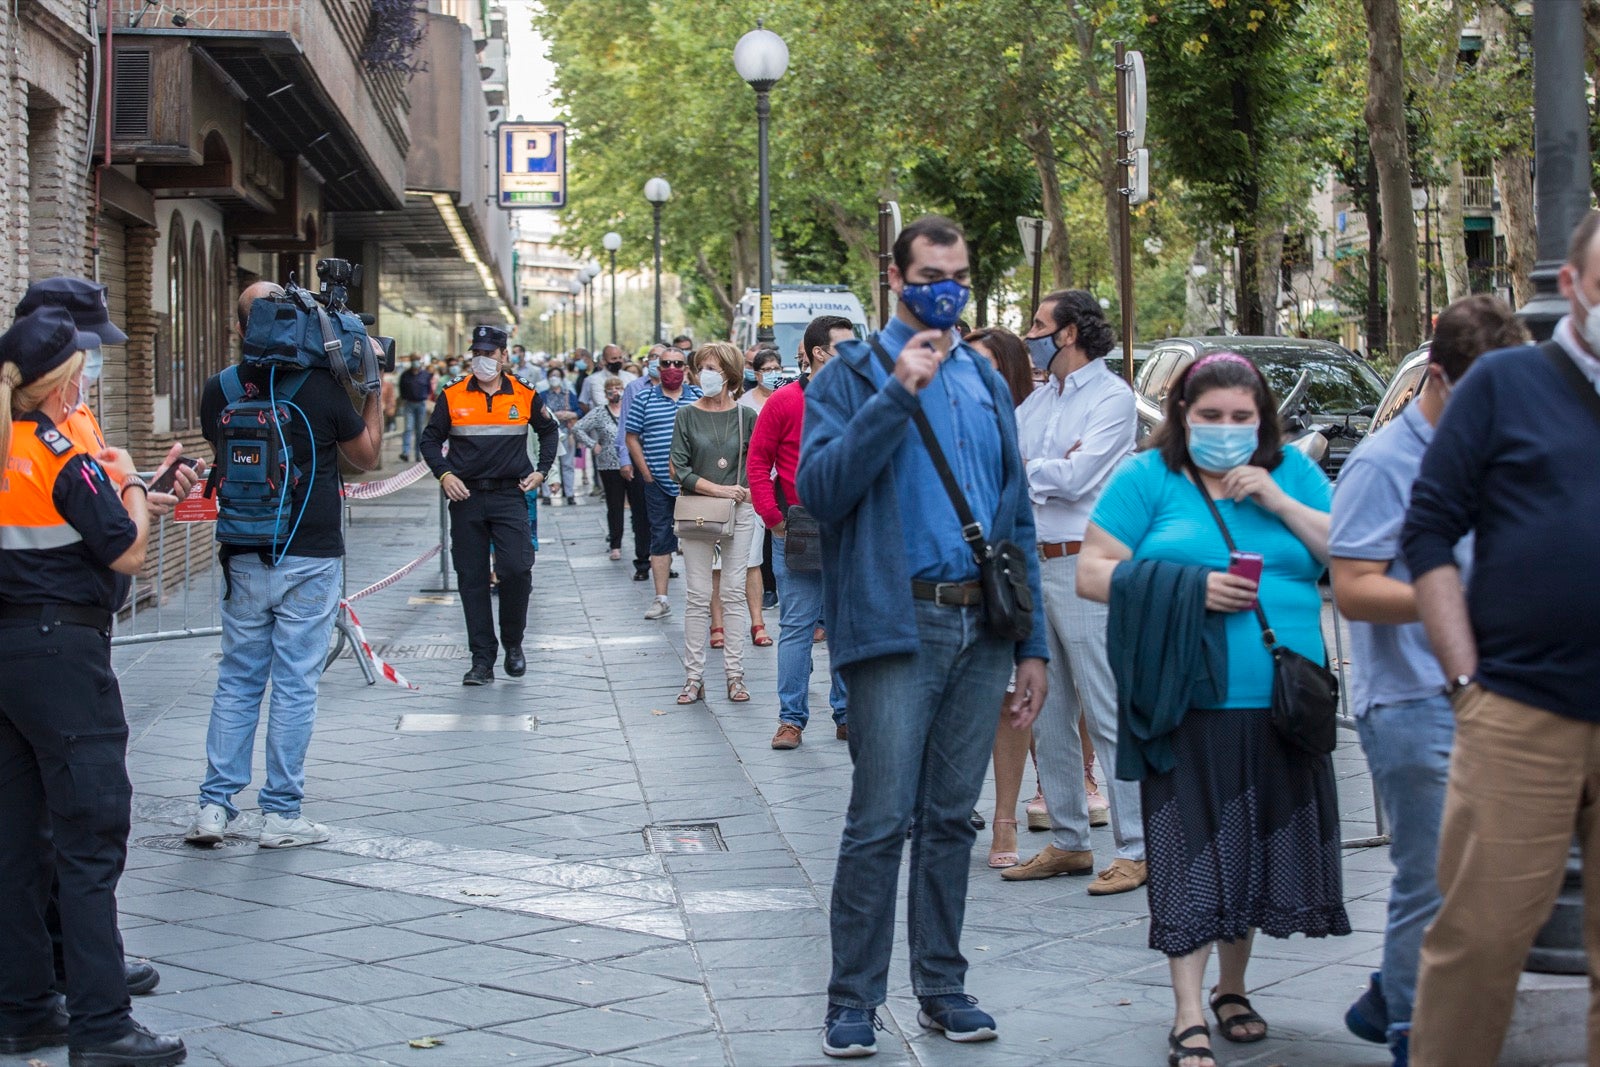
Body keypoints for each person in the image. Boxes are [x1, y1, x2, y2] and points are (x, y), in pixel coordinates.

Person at [798, 216, 1048, 1057]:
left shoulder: (981, 375)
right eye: (933, 273)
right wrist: (896, 393)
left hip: (984, 622)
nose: (949, 287)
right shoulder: (852, 372)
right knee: (880, 818)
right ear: (896, 280)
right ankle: (852, 1001)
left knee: (952, 818)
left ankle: (942, 984)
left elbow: (1014, 516)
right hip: (897, 621)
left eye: (962, 273)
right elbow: (823, 490)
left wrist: (1033, 645)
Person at [1076, 351, 1349, 1067]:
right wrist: (1189, 587)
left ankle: (1234, 987)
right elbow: (1092, 571)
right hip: (1191, 698)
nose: (1226, 430)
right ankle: (1187, 1010)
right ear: (1182, 416)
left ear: (1262, 420)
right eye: (1210, 417)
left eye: (1240, 418)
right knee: (1190, 848)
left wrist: (1280, 501)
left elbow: (1348, 553)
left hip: (1287, 701)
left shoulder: (1292, 471)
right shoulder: (1147, 477)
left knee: (1253, 845)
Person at [1402, 212, 1600, 1067]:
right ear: (1576, 285)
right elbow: (1428, 532)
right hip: (1518, 710)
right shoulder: (1505, 383)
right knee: (1477, 942)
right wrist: (1466, 683)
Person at [1330, 295, 1525, 1067]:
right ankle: (1413, 1027)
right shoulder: (1383, 463)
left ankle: (1390, 987)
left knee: (1485, 876)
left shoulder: (1504, 451)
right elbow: (1351, 587)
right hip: (1412, 701)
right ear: (1437, 379)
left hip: (1498, 695)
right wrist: (1453, 600)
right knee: (1433, 876)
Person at [0, 307, 186, 1067]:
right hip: (62, 653)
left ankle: (24, 1007)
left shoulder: (9, 444)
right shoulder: (59, 451)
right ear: (62, 383)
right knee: (89, 838)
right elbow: (131, 552)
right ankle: (103, 1024)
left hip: (10, 651)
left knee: (16, 843)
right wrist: (134, 481)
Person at [185, 283, 383, 849]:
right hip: (311, 553)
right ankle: (280, 815)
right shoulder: (320, 388)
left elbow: (221, 448)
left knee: (238, 680)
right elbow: (365, 456)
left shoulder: (218, 389)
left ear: (242, 326)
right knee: (295, 685)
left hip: (243, 554)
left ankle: (214, 807)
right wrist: (371, 387)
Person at [1002, 291, 1146, 895]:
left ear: (1068, 333)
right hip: (1034, 566)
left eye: (1038, 324)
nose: (1029, 334)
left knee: (1106, 706)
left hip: (1086, 564)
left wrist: (1034, 467)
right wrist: (1043, 466)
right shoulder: (1036, 401)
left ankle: (1137, 847)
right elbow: (1006, 465)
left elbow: (1079, 477)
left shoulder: (1113, 399)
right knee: (1046, 708)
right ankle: (1068, 840)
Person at [421, 324, 558, 686]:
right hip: (465, 497)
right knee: (472, 579)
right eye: (477, 353)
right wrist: (444, 475)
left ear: (504, 356)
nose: (482, 360)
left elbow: (550, 430)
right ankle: (482, 660)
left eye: (489, 354)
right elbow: (431, 441)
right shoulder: (452, 395)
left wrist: (542, 471)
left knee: (516, 569)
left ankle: (513, 642)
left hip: (509, 495)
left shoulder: (524, 393)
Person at [752, 315, 853, 749]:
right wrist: (773, 519)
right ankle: (790, 720)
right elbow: (757, 463)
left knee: (849, 628)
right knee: (796, 628)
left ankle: (848, 713)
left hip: (852, 526)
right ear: (818, 353)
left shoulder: (863, 398)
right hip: (800, 526)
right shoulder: (784, 401)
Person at [964, 325, 1041, 867]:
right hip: (939, 590)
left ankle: (1006, 819)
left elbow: (1023, 523)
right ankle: (950, 806)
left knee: (1010, 703)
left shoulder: (1024, 424)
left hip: (1001, 578)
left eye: (985, 365)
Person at [670, 342, 757, 705]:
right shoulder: (687, 415)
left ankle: (735, 675)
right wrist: (720, 490)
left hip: (740, 510)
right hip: (699, 511)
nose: (707, 373)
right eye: (702, 366)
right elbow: (678, 468)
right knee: (697, 596)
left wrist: (750, 493)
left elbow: (757, 462)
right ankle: (693, 678)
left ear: (730, 373)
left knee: (734, 593)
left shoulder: (747, 416)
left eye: (715, 367)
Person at [626, 346, 700, 620]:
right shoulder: (644, 398)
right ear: (658, 367)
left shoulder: (698, 397)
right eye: (666, 363)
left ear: (686, 369)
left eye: (678, 364)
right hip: (657, 482)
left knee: (697, 538)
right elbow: (631, 435)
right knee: (660, 538)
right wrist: (645, 472)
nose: (672, 368)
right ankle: (661, 599)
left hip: (693, 485)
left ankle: (699, 598)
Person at [739, 347, 783, 647]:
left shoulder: (787, 395)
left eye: (777, 367)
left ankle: (776, 586)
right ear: (755, 373)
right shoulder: (744, 404)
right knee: (760, 544)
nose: (773, 373)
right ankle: (767, 588)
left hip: (785, 480)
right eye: (767, 369)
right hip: (758, 482)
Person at [619, 347, 664, 580]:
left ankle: (663, 560)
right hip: (641, 460)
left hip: (669, 464)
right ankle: (643, 561)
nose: (659, 363)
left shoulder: (683, 391)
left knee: (665, 517)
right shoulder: (634, 388)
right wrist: (625, 460)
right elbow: (625, 427)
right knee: (642, 515)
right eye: (654, 358)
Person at [572, 375, 628, 560]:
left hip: (631, 462)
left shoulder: (630, 410)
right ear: (605, 393)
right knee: (615, 505)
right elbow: (578, 428)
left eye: (618, 387)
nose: (615, 391)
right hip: (608, 465)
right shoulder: (599, 412)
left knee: (639, 505)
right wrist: (593, 445)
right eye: (610, 388)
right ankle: (615, 544)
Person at [540, 368, 582, 505]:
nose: (554, 378)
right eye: (551, 375)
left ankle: (569, 493)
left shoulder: (569, 395)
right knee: (548, 463)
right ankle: (546, 494)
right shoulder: (542, 395)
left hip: (566, 432)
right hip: (548, 433)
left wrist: (570, 414)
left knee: (567, 464)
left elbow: (579, 410)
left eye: (557, 375)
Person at [397, 354, 433, 462]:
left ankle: (418, 454)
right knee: (408, 428)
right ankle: (405, 452)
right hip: (409, 404)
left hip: (421, 404)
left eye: (417, 360)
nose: (415, 362)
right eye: (413, 360)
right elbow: (401, 389)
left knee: (419, 430)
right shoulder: (405, 375)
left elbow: (429, 389)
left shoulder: (425, 375)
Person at [583, 343, 636, 411]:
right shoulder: (595, 380)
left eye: (620, 358)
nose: (618, 361)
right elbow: (602, 404)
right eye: (614, 359)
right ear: (604, 361)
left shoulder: (631, 377)